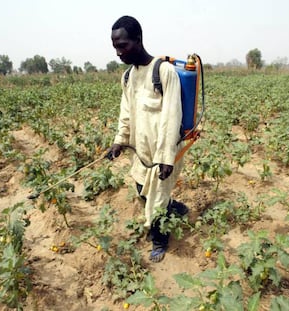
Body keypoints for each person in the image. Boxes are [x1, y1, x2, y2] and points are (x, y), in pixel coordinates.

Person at [108, 15, 188, 262]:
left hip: (164, 151)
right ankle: (177, 208)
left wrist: (166, 158)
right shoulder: (128, 77)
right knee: (143, 190)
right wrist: (119, 141)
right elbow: (126, 113)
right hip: (141, 152)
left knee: (156, 200)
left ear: (138, 40)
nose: (119, 53)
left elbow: (171, 117)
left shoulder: (163, 72)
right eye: (115, 47)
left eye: (123, 45)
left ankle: (159, 240)